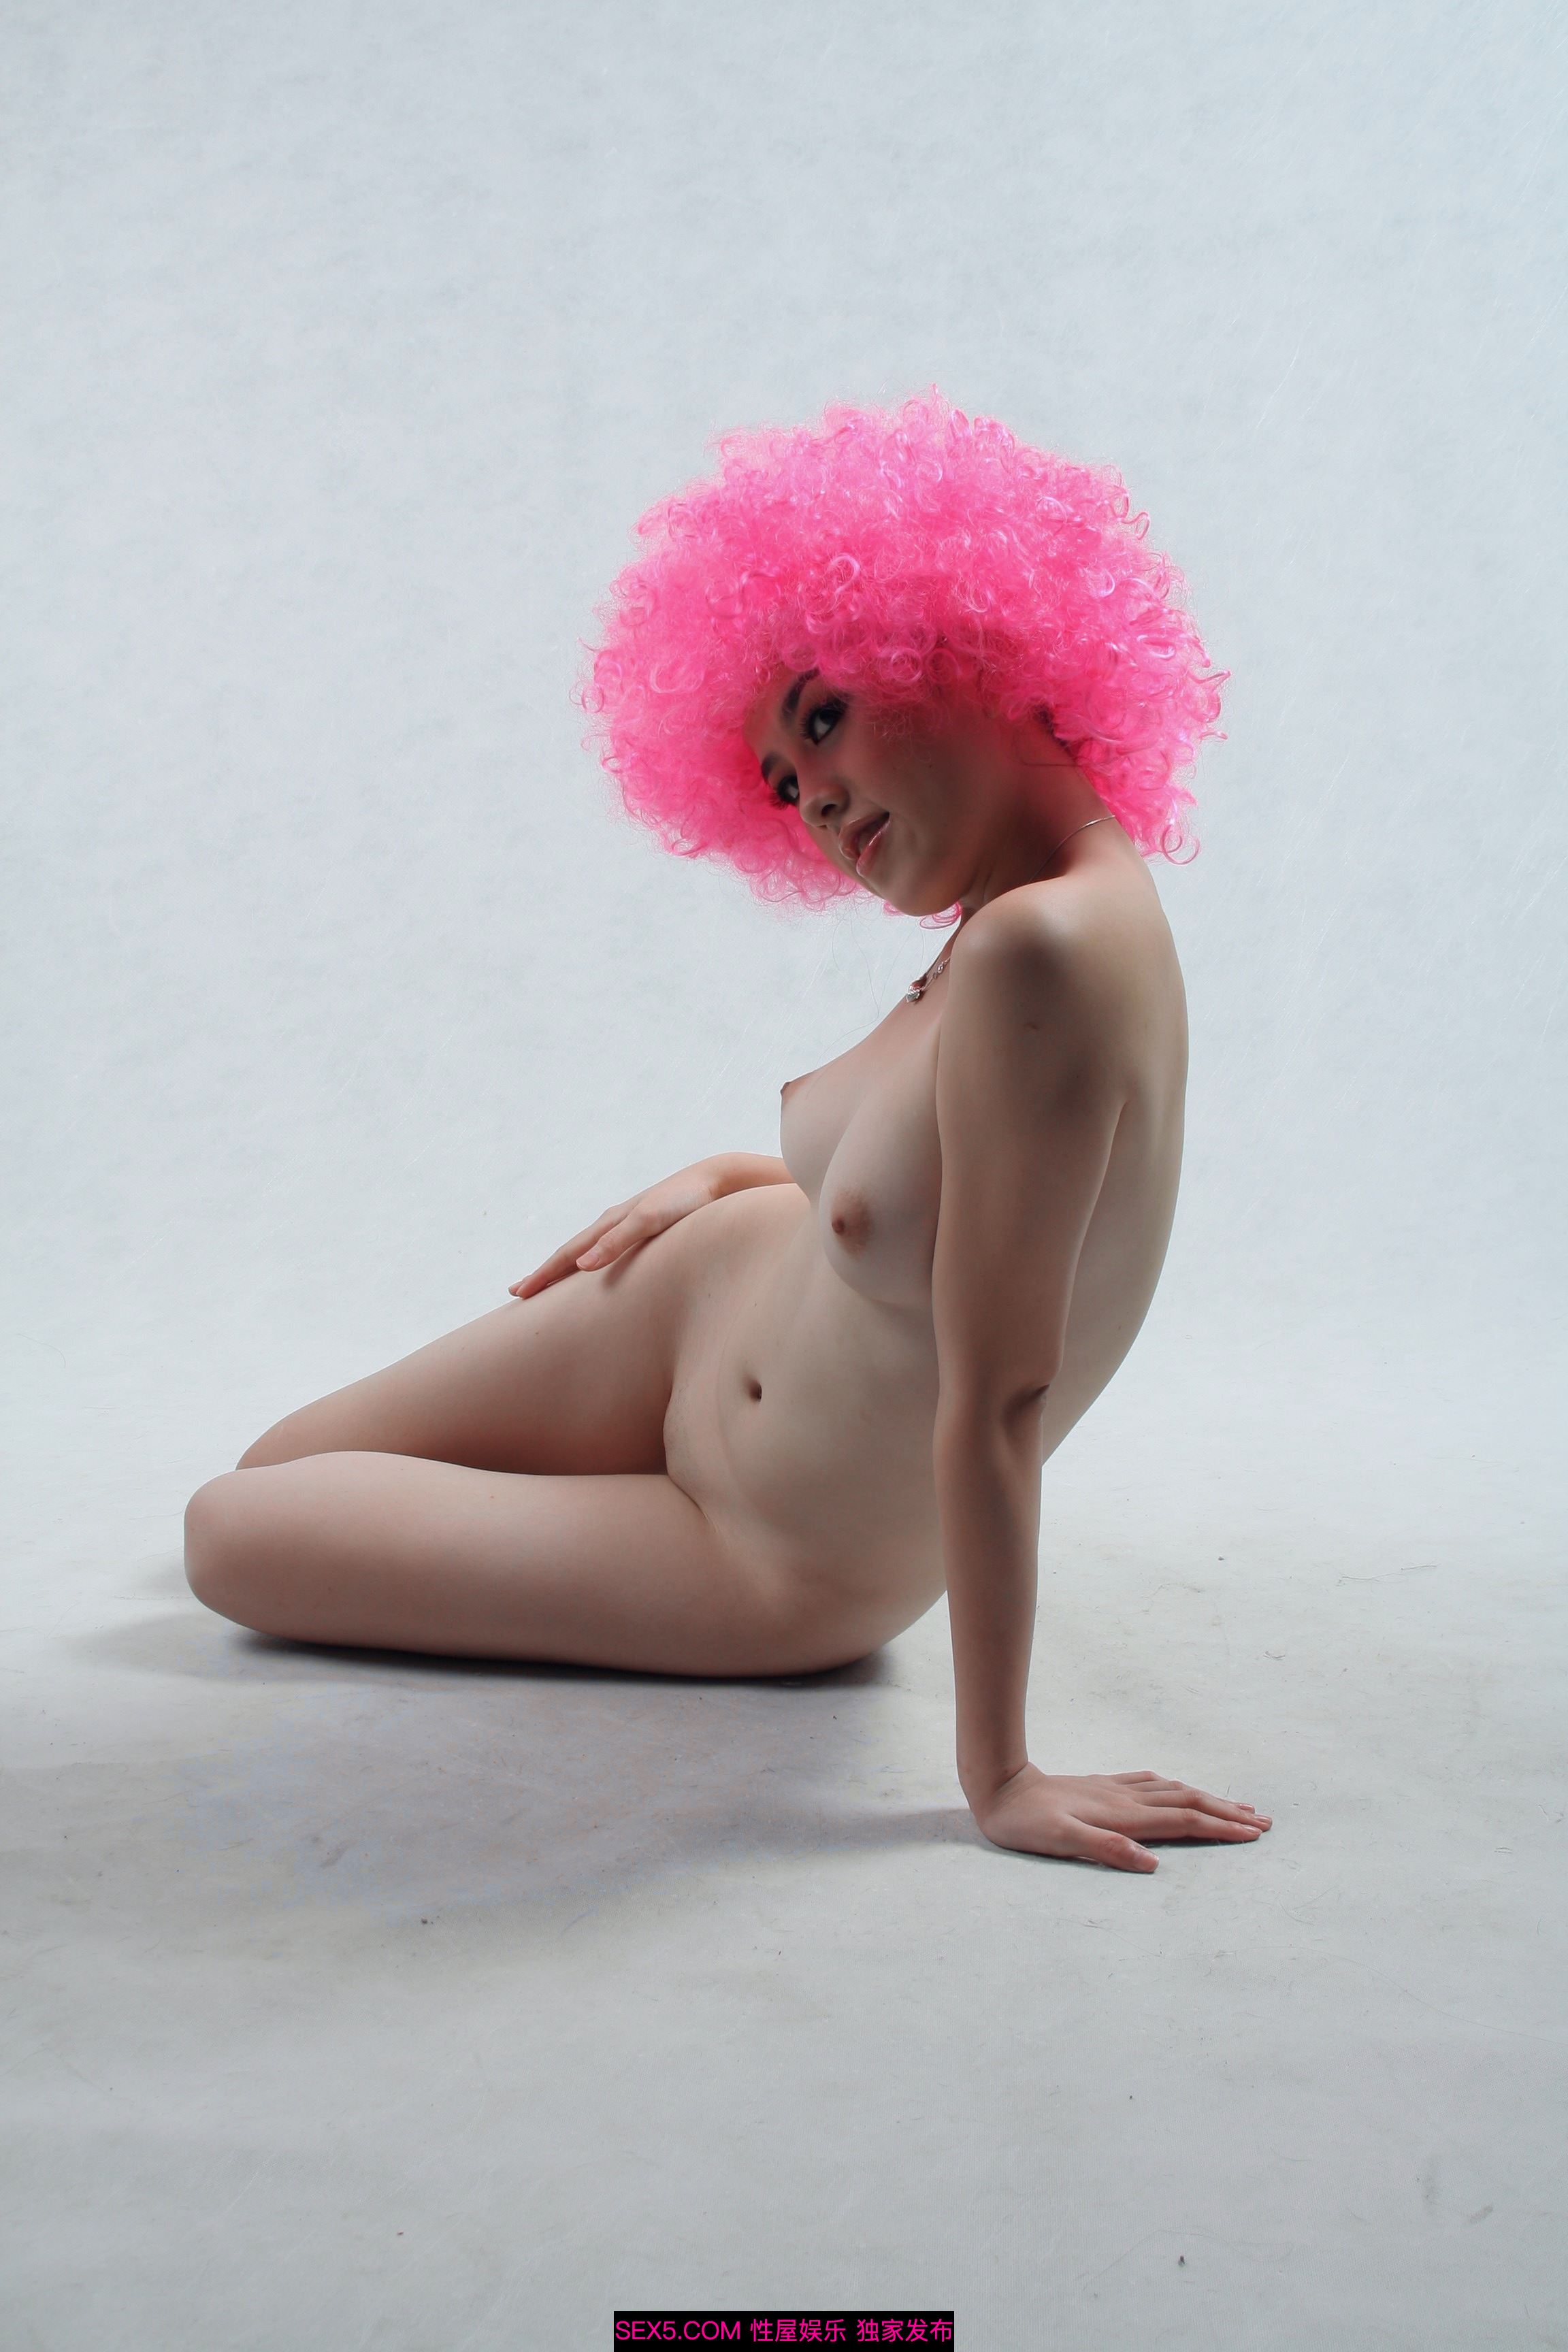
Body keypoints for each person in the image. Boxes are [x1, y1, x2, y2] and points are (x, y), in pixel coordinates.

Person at [185, 393, 1271, 1873]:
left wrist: (1002, 1775)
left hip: (761, 1546)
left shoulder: (1049, 952)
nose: (814, 800)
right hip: (695, 1305)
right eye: (781, 780)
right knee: (278, 1462)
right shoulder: (1008, 918)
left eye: (822, 720)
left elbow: (1002, 1394)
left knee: (233, 1532)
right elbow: (945, 1182)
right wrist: (734, 1177)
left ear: (971, 646)